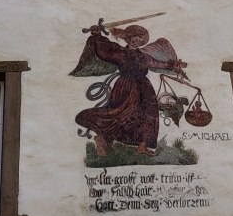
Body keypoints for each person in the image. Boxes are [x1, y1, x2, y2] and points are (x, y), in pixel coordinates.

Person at [72, 24, 186, 156]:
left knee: (149, 114)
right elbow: (103, 53)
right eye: (134, 39)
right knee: (120, 113)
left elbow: (157, 63)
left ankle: (142, 146)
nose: (136, 41)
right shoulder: (120, 53)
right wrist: (97, 35)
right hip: (127, 87)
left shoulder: (144, 56)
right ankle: (101, 139)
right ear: (128, 39)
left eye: (139, 39)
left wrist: (173, 65)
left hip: (145, 88)